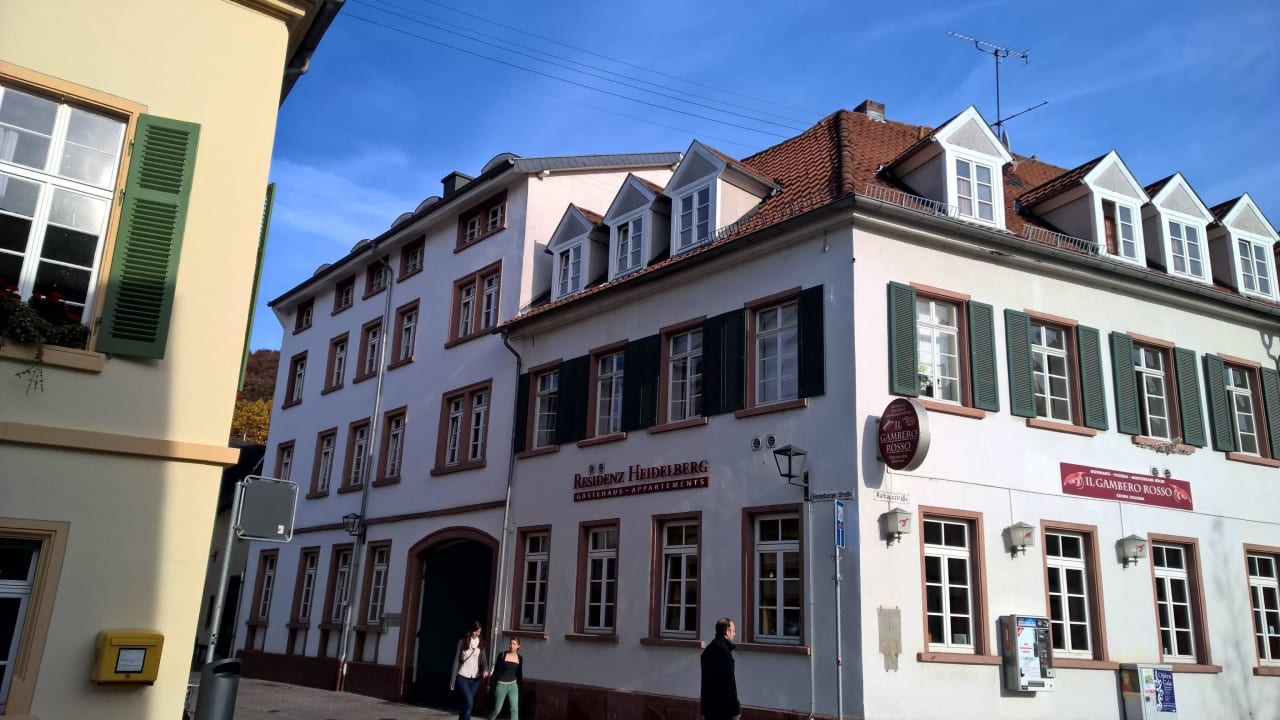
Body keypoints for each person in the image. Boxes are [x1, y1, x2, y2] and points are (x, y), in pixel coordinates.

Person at [700, 617, 740, 720]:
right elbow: (730, 683)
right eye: (733, 631)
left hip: (709, 708)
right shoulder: (725, 652)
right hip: (724, 709)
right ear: (727, 632)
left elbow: (705, 682)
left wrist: (703, 709)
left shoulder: (708, 650)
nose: (735, 634)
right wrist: (736, 710)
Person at [449, 621, 489, 720]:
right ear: (471, 630)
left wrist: (485, 669)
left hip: (475, 679)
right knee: (470, 703)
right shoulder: (462, 642)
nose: (477, 634)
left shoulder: (481, 643)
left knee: (466, 704)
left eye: (479, 632)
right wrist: (452, 680)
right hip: (462, 677)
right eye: (476, 631)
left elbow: (484, 660)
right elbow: (456, 660)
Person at [487, 636, 523, 720]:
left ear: (518, 646)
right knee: (497, 710)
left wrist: (520, 688)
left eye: (514, 644)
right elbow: (496, 671)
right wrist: (492, 686)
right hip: (501, 685)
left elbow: (519, 674)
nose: (511, 646)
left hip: (513, 686)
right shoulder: (502, 655)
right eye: (510, 643)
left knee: (514, 709)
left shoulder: (520, 658)